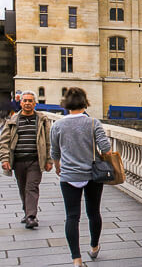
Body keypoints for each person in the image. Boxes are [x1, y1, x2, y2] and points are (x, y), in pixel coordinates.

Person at [50, 87, 111, 267]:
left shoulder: (58, 125)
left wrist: (57, 166)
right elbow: (106, 148)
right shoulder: (93, 123)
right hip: (92, 174)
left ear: (66, 104)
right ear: (85, 103)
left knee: (72, 216)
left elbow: (55, 151)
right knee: (93, 213)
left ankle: (76, 259)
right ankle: (94, 246)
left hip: (69, 175)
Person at [0, 90, 54, 229]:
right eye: (25, 101)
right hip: (18, 161)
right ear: (21, 103)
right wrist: (4, 159)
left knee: (32, 187)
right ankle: (27, 212)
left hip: (35, 160)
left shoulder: (42, 120)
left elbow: (48, 141)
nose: (27, 103)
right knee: (23, 188)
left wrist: (49, 160)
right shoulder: (12, 120)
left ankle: (31, 216)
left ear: (35, 103)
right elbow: (4, 142)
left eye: (30, 101)